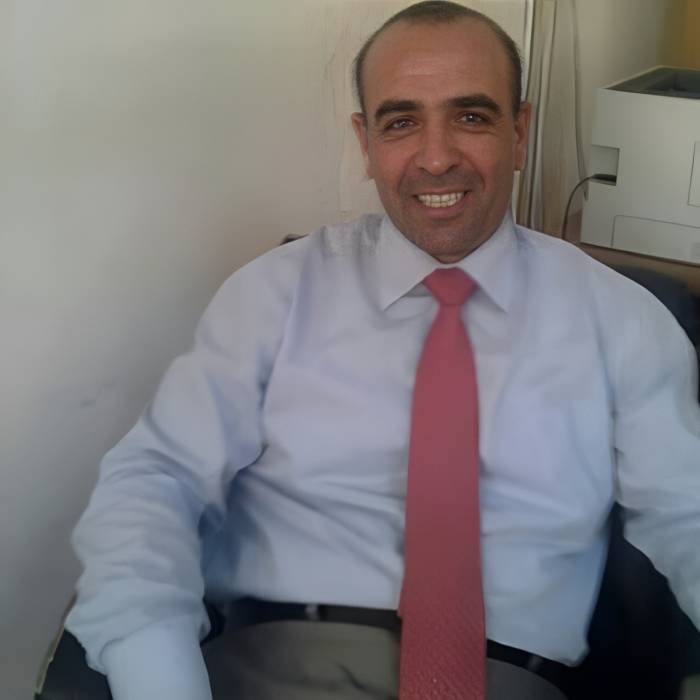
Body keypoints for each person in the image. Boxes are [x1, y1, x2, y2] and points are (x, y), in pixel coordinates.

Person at [66, 2, 700, 699]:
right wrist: (160, 676)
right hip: (274, 664)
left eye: (471, 116)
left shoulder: (621, 320)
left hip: (508, 679)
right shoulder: (275, 294)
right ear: (365, 144)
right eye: (401, 123)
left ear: (519, 133)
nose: (436, 157)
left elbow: (687, 514)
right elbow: (157, 481)